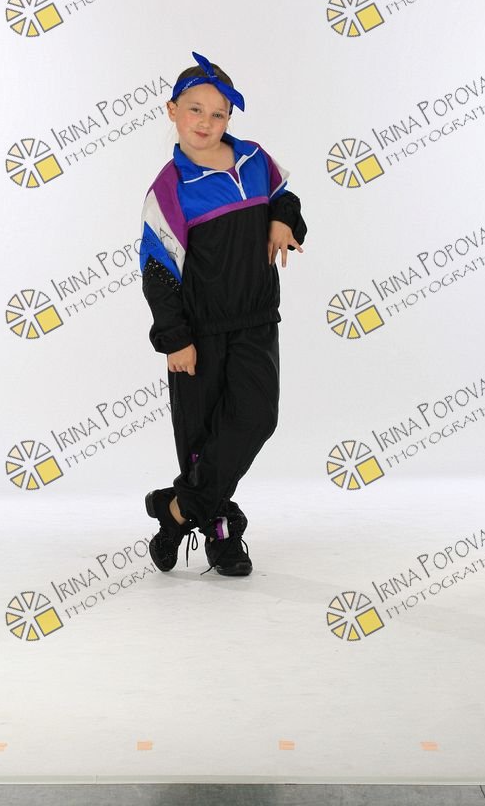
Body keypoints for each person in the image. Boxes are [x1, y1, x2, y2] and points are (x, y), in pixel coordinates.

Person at [139, 51, 307, 576]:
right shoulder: (169, 188)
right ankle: (219, 531)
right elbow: (158, 269)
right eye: (194, 110)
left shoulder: (255, 160)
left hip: (257, 318)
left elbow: (284, 197)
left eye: (218, 113)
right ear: (173, 111)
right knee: (201, 436)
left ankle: (174, 511)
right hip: (199, 331)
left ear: (229, 117)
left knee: (257, 417)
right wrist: (175, 338)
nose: (205, 122)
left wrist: (284, 219)